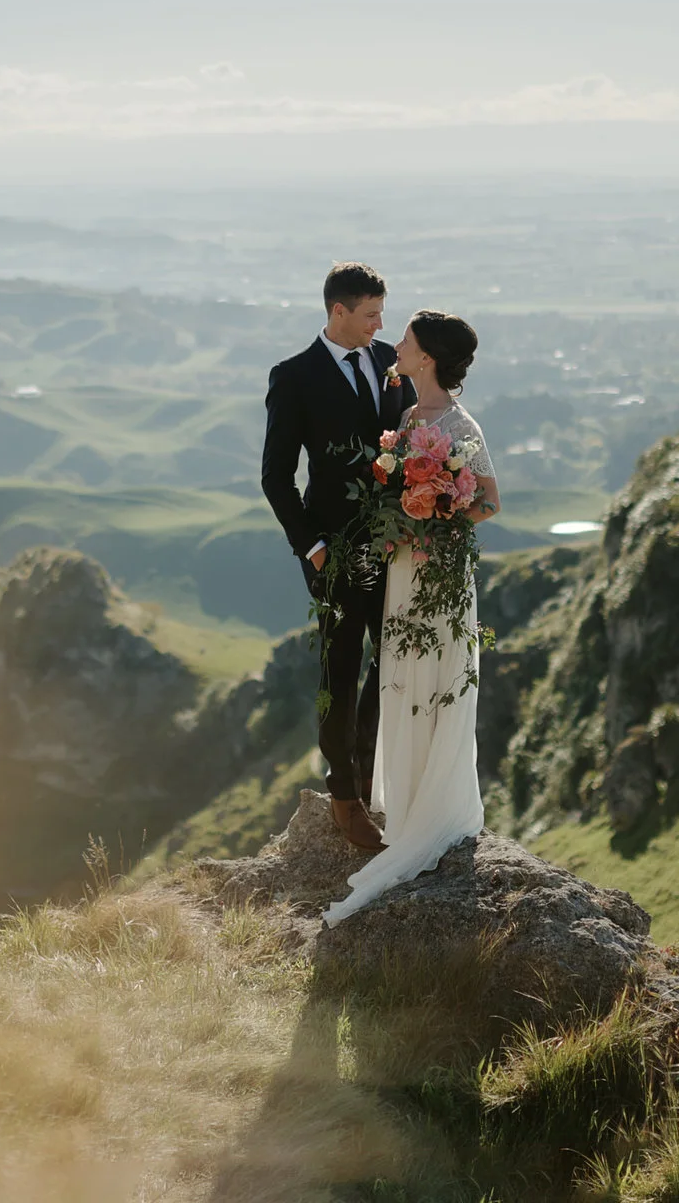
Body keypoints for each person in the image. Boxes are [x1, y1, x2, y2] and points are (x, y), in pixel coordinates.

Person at [321, 308, 497, 927]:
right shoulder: (406, 419)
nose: (397, 343)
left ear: (425, 358)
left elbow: (490, 501)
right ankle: (411, 804)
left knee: (437, 674)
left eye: (406, 339)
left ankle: (436, 810)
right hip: (403, 565)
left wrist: (438, 510)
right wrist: (407, 511)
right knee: (401, 671)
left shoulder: (459, 421)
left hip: (438, 569)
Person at [261, 263, 406, 853]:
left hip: (395, 544)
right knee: (339, 671)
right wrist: (313, 547)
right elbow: (276, 477)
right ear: (338, 312)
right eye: (370, 314)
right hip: (334, 550)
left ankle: (371, 776)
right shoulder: (293, 377)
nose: (380, 325)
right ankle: (343, 795)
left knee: (394, 663)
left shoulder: (390, 359)